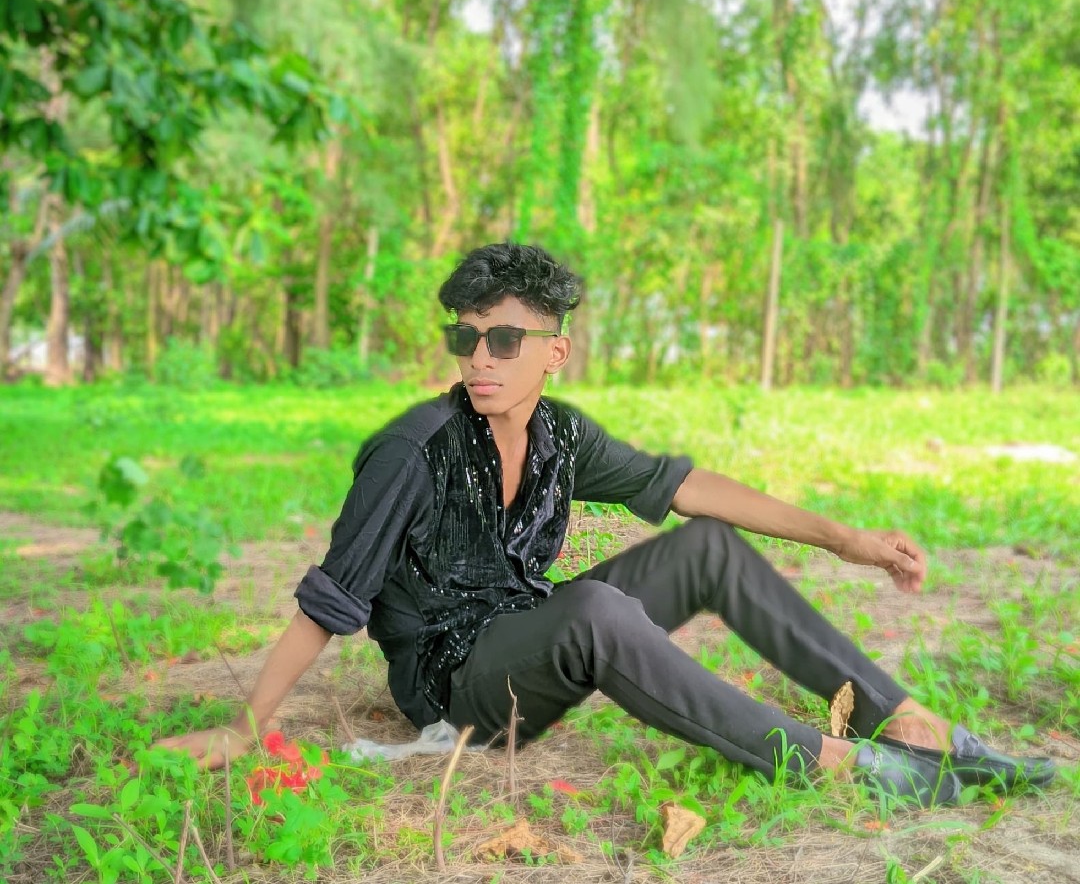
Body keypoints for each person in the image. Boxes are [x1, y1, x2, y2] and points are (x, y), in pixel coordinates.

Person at [156, 243, 1055, 806]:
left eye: (504, 340)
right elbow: (330, 601)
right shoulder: (411, 453)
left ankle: (908, 726)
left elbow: (687, 487)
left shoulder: (560, 434)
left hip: (532, 637)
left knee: (705, 547)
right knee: (593, 611)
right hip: (456, 687)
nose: (480, 358)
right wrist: (244, 727)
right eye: (466, 338)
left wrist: (847, 540)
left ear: (553, 351)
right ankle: (835, 764)